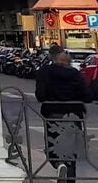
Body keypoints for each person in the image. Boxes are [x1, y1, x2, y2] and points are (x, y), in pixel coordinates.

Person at [36, 48, 91, 181]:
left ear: (52, 58)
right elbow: (86, 95)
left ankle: (59, 164)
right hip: (73, 116)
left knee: (52, 148)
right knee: (71, 154)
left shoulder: (44, 72)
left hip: (53, 115)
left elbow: (40, 95)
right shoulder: (75, 73)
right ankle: (70, 178)